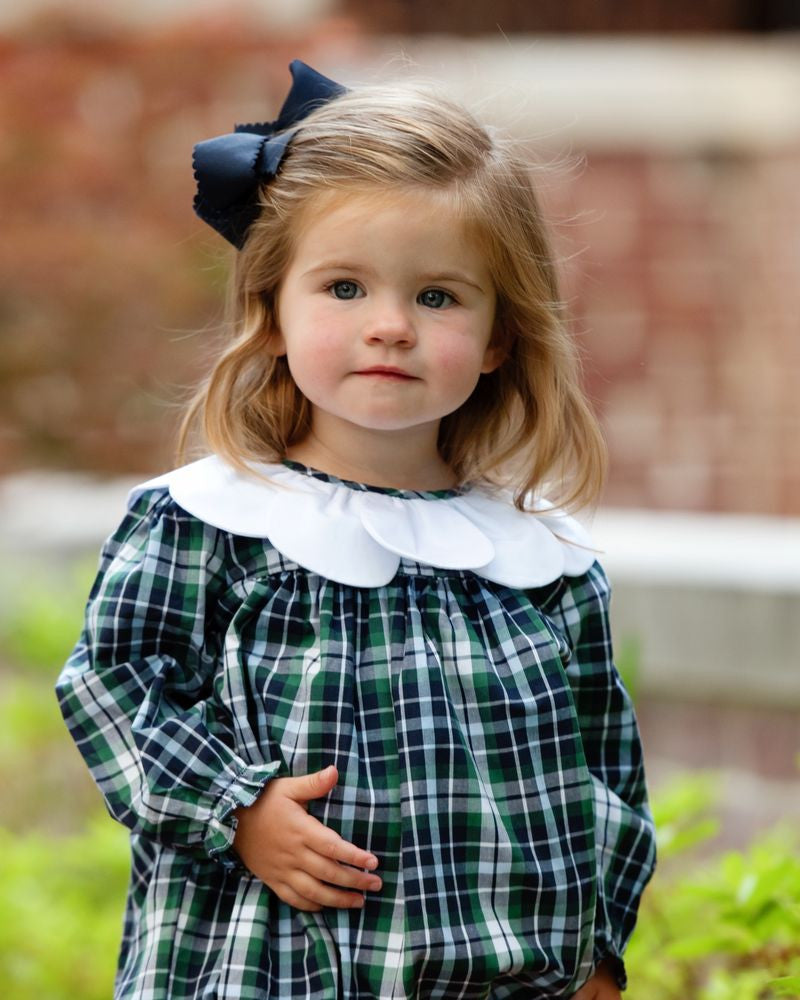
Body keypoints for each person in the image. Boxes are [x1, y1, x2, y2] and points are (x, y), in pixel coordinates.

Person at [56, 60, 656, 1000]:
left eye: (437, 297)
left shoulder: (540, 563)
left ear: (501, 335)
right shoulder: (216, 521)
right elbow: (116, 685)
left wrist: (599, 958)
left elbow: (606, 776)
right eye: (344, 289)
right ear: (274, 310)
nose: (390, 327)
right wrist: (236, 808)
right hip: (272, 969)